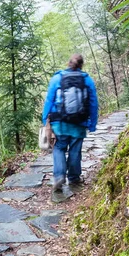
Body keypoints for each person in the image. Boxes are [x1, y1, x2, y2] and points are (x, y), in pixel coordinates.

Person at [42, 54, 98, 194]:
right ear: (81, 65)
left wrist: (45, 121)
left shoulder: (57, 78)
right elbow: (93, 103)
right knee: (75, 151)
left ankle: (59, 177)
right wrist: (92, 123)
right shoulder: (87, 80)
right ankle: (73, 178)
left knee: (59, 148)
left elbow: (49, 100)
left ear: (68, 64)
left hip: (59, 123)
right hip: (79, 122)